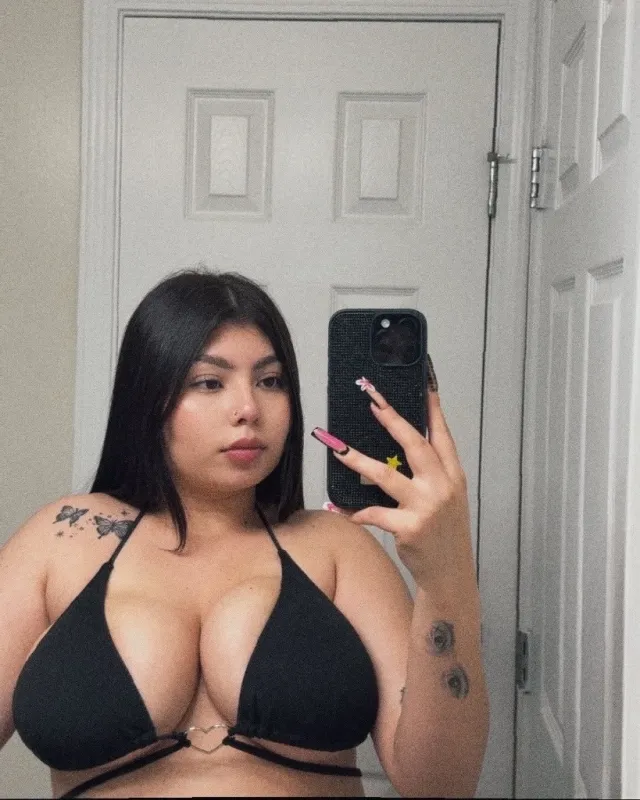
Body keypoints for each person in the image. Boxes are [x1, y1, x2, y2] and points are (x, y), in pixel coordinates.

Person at [0, 270, 488, 798]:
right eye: (209, 382)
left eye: (270, 380)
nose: (249, 409)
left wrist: (447, 576)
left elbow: (440, 785)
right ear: (147, 395)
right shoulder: (64, 538)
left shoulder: (337, 548)